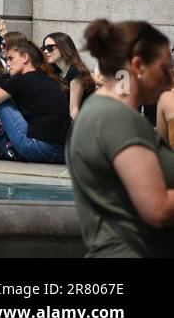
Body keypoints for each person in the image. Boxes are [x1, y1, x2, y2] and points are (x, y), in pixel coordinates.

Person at [67, 19, 174, 257]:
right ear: (138, 65)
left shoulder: (98, 111)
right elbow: (157, 208)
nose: (169, 80)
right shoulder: (116, 119)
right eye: (165, 68)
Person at [41, 32, 96, 119]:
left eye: (49, 48)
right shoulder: (55, 71)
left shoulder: (76, 72)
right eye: (43, 48)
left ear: (63, 48)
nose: (45, 51)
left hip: (82, 122)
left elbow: (74, 110)